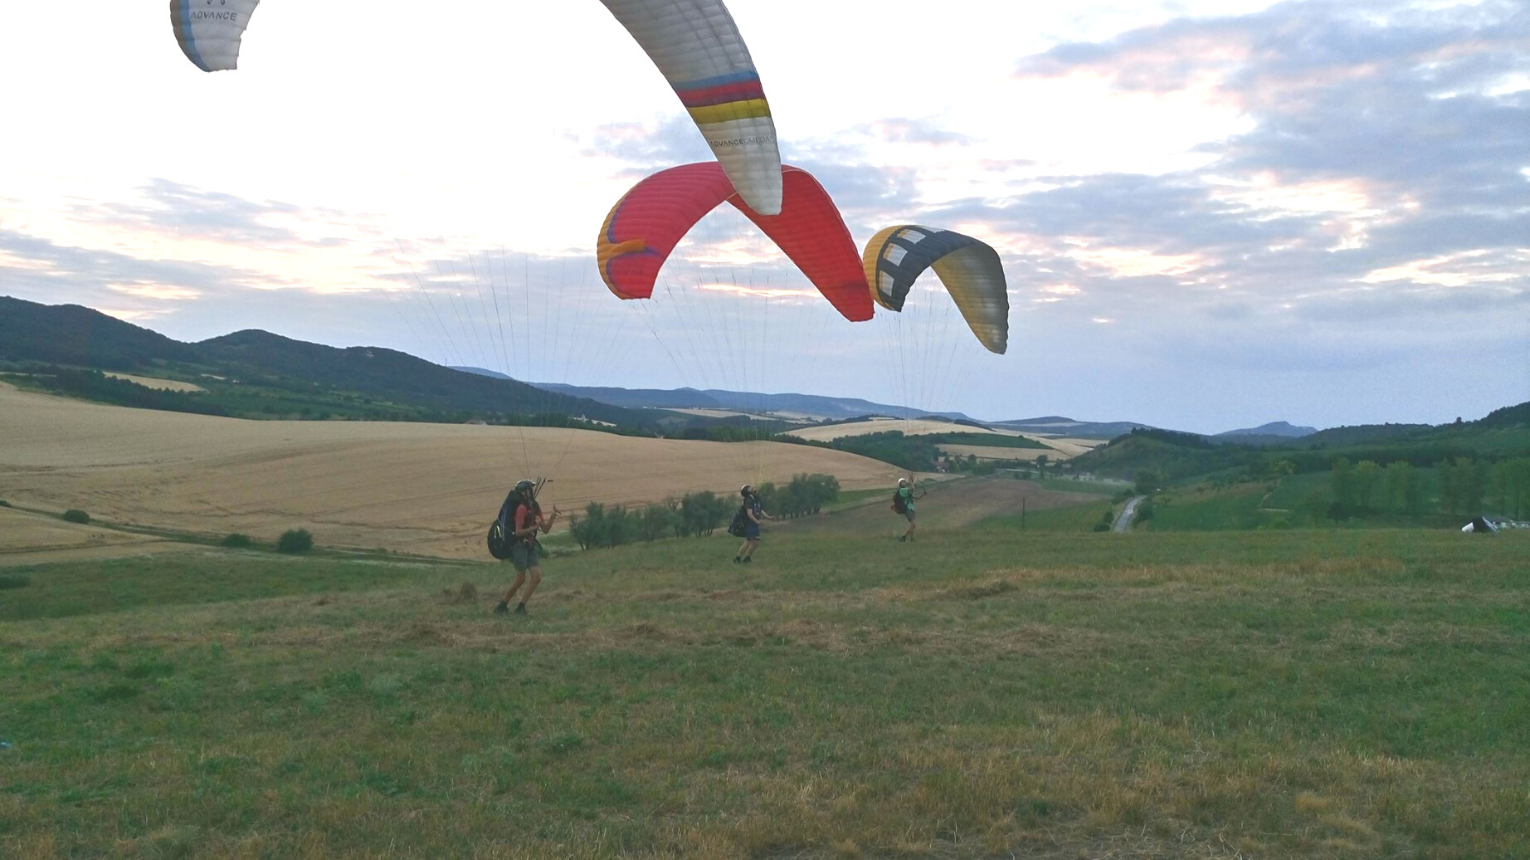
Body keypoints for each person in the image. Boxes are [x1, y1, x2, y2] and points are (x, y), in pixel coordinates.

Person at [494, 479, 560, 615]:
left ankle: (521, 607)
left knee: (536, 577)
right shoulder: (521, 509)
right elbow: (518, 532)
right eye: (529, 489)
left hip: (530, 545)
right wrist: (534, 527)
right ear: (524, 492)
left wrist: (553, 516)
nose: (532, 491)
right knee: (521, 578)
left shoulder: (535, 507)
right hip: (519, 546)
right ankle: (502, 605)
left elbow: (545, 529)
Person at [733, 485, 771, 564]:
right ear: (748, 492)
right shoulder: (749, 500)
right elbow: (749, 514)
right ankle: (737, 558)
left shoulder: (756, 499)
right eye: (749, 488)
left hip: (754, 522)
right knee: (748, 541)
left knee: (756, 542)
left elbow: (760, 510)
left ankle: (747, 558)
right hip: (749, 522)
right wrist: (757, 522)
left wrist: (768, 517)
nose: (752, 488)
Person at [895, 475, 925, 542]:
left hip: (911, 508)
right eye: (902, 482)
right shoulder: (902, 490)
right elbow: (912, 488)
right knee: (913, 524)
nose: (904, 483)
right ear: (900, 484)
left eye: (904, 482)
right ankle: (907, 537)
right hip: (907, 509)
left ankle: (908, 538)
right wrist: (911, 480)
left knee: (913, 525)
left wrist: (923, 495)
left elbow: (915, 498)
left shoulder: (906, 491)